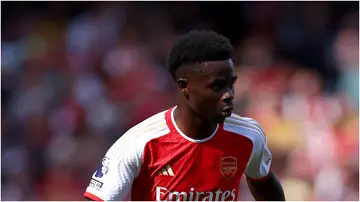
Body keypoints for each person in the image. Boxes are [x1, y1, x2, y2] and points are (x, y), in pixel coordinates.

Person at [84, 30, 285, 201]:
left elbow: (264, 182)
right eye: (217, 86)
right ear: (184, 86)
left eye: (231, 83)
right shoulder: (140, 142)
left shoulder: (248, 136)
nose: (229, 95)